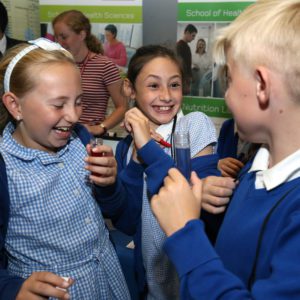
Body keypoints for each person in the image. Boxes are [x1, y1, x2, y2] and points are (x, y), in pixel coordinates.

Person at [151, 0, 300, 299]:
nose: (227, 95)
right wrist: (204, 204)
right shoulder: (257, 166)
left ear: (261, 85)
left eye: (229, 80)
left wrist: (184, 233)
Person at [0, 38, 130, 299]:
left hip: (106, 278)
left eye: (78, 101)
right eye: (59, 105)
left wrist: (109, 185)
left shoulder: (81, 139)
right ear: (16, 105)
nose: (73, 116)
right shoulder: (5, 170)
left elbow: (115, 211)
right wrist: (11, 289)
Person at [105, 44, 220, 299]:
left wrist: (147, 148)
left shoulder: (194, 125)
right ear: (130, 89)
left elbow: (195, 201)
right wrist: (135, 160)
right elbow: (126, 221)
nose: (166, 96)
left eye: (175, 84)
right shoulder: (125, 147)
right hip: (150, 278)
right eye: (154, 85)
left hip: (191, 278)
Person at [52, 10, 127, 137]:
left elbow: (123, 107)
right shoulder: (55, 65)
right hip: (58, 137)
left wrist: (100, 127)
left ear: (81, 35)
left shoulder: (104, 66)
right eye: (56, 37)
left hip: (88, 140)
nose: (60, 42)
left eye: (64, 37)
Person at [176, 24, 197, 95]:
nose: (194, 38)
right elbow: (180, 64)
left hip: (186, 78)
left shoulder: (186, 46)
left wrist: (190, 75)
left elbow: (187, 63)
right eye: (193, 35)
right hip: (183, 78)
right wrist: (187, 77)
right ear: (187, 33)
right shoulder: (179, 46)